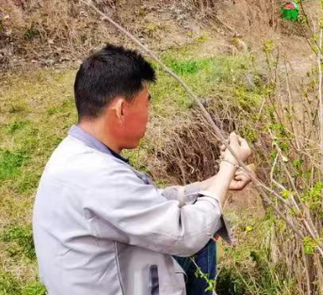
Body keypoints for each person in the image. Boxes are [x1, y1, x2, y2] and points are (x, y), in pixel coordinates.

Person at [32, 44, 253, 295]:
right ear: (122, 110)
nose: (149, 114)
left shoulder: (74, 155)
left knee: (203, 232)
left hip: (106, 276)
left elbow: (146, 202)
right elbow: (187, 233)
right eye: (147, 103)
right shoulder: (99, 177)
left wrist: (214, 183)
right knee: (200, 234)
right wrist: (229, 165)